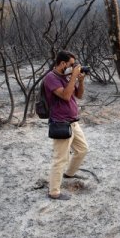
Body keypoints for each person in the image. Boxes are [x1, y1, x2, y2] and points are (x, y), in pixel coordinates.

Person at [44, 50, 89, 200]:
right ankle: (54, 192)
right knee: (60, 158)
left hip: (73, 122)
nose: (73, 67)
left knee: (82, 150)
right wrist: (74, 76)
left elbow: (79, 95)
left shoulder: (66, 77)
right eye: (70, 65)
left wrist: (80, 81)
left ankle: (69, 173)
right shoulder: (51, 78)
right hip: (61, 123)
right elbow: (65, 96)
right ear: (62, 63)